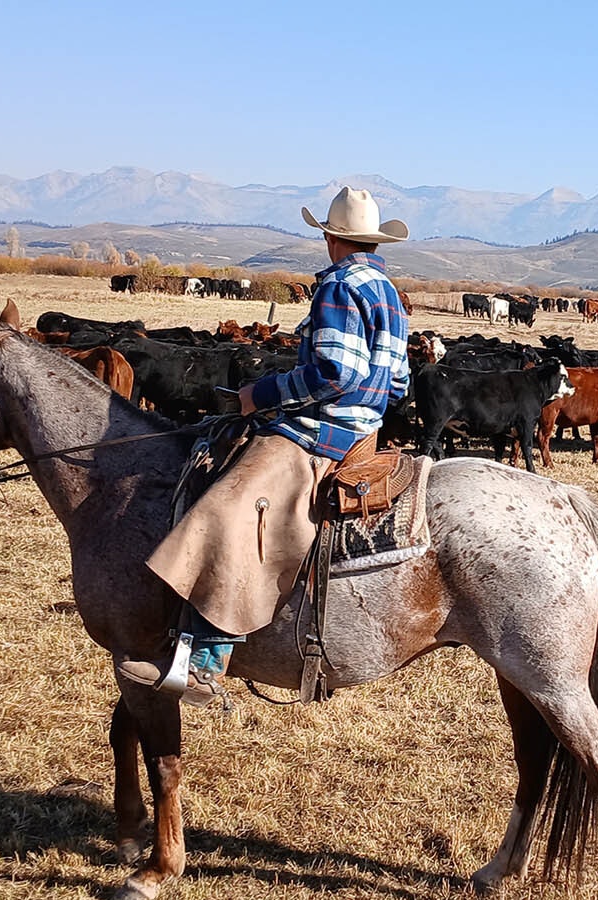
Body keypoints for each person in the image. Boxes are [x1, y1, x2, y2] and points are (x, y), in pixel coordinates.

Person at [118, 187, 411, 704]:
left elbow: (334, 372)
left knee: (226, 504)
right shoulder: (388, 289)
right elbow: (401, 382)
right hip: (366, 432)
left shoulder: (339, 285)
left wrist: (261, 394)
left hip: (321, 431)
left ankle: (207, 657)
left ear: (330, 236)